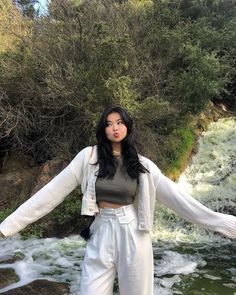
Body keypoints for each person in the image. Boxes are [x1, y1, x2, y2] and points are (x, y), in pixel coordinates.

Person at [0, 106, 236, 295]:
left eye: (119, 122)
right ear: (103, 129)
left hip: (133, 234)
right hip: (100, 231)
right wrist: (6, 227)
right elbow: (49, 194)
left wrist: (226, 225)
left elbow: (180, 201)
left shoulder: (143, 166)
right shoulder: (88, 158)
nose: (114, 128)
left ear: (127, 127)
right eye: (109, 124)